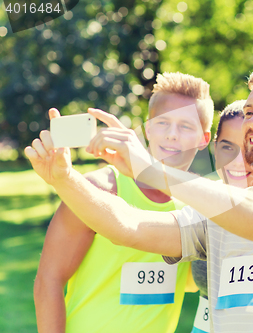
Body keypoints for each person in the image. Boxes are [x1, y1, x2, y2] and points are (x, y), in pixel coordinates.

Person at [26, 58, 253, 333]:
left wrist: (151, 171)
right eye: (249, 112)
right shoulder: (215, 214)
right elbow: (128, 227)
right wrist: (65, 178)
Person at [33, 72, 214, 333]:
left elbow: (191, 282)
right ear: (148, 129)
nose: (172, 135)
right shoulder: (98, 188)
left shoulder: (198, 204)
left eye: (186, 126)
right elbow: (48, 280)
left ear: (203, 139)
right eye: (163, 123)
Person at [190, 99, 253, 333]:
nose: (239, 161)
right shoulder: (203, 205)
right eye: (228, 147)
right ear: (215, 147)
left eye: (251, 147)